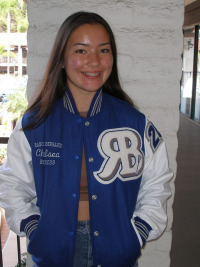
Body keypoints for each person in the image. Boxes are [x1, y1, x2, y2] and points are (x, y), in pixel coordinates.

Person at [0, 11, 172, 267]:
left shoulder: (135, 122)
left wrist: (138, 231)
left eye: (103, 50)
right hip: (52, 253)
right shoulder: (34, 124)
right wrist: (33, 227)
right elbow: (11, 183)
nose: (94, 61)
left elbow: (157, 183)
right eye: (81, 51)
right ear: (61, 59)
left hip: (117, 252)